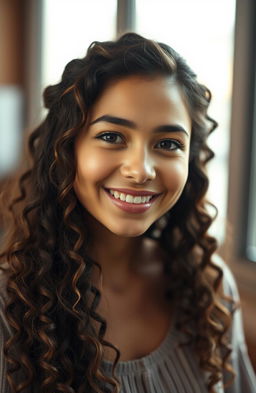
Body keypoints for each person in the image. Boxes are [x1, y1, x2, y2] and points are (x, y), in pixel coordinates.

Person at [0, 32, 255, 393]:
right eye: (112, 136)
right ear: (67, 148)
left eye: (168, 144)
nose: (141, 170)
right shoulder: (9, 305)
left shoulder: (208, 286)